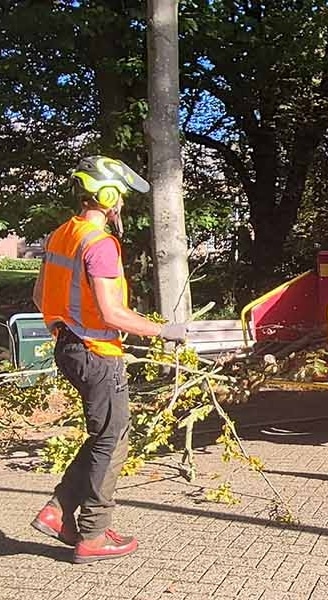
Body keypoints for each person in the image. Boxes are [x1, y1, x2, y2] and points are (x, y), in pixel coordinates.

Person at [29, 155, 188, 564]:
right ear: (108, 194)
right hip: (97, 353)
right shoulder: (100, 245)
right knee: (113, 440)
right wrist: (163, 331)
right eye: (119, 196)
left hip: (68, 347)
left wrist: (69, 328)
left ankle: (58, 511)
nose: (121, 205)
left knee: (103, 433)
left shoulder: (61, 234)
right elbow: (114, 313)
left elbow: (38, 297)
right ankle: (94, 534)